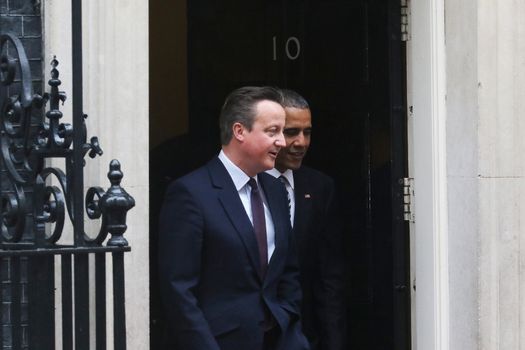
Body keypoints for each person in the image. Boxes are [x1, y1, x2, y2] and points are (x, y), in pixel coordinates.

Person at [158, 86, 310, 350]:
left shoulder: (275, 190)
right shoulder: (191, 193)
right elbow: (179, 292)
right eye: (272, 131)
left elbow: (288, 272)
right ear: (240, 131)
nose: (282, 142)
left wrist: (289, 325)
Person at [266, 89, 347, 350]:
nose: (301, 142)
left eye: (307, 132)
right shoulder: (243, 186)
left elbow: (329, 277)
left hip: (302, 335)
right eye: (291, 132)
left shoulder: (321, 187)